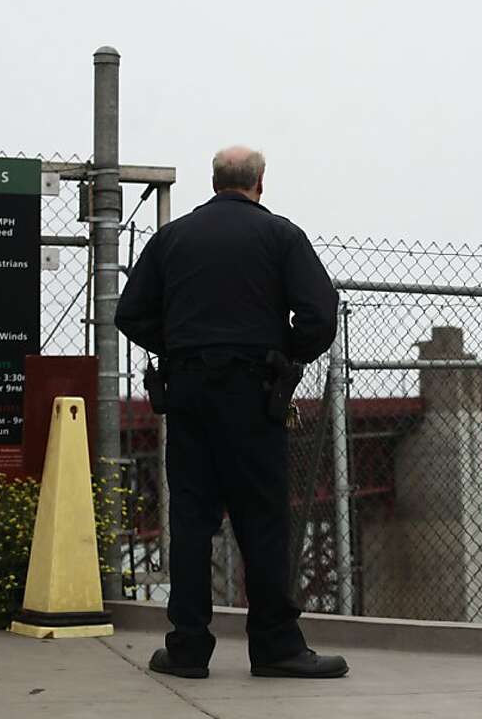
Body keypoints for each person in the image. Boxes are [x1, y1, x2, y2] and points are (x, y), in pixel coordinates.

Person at [115, 145, 347, 679]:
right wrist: (284, 353)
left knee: (191, 523)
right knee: (262, 520)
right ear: (260, 182)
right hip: (253, 394)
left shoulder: (171, 238)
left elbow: (130, 313)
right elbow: (318, 313)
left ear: (214, 181)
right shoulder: (280, 236)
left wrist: (176, 345)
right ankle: (275, 646)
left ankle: (188, 649)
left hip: (189, 394)